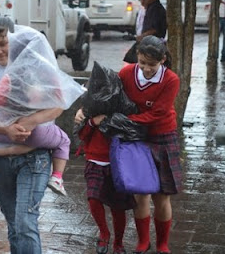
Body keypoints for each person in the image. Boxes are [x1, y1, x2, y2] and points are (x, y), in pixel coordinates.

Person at [0, 16, 83, 254]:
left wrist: (30, 121)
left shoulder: (36, 65)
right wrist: (5, 129)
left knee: (25, 222)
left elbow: (58, 104)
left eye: (3, 43)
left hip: (34, 158)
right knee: (14, 223)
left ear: (16, 40)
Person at [0, 26, 73, 196]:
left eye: (3, 44)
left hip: (25, 146)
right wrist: (17, 125)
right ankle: (57, 176)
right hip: (34, 135)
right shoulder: (36, 70)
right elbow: (58, 99)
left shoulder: (11, 77)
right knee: (64, 141)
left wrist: (12, 122)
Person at [117, 36, 182, 254]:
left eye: (151, 65)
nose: (146, 69)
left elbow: (159, 112)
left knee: (162, 196)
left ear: (162, 60)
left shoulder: (171, 79)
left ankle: (163, 243)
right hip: (137, 138)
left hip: (162, 135)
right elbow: (112, 96)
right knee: (140, 193)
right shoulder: (126, 73)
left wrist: (127, 121)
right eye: (142, 63)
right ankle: (143, 241)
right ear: (137, 57)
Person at [74, 83, 136, 253]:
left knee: (118, 207)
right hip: (94, 162)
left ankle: (118, 243)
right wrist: (92, 122)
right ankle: (104, 233)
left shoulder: (122, 111)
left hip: (117, 165)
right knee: (93, 198)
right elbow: (81, 134)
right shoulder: (87, 113)